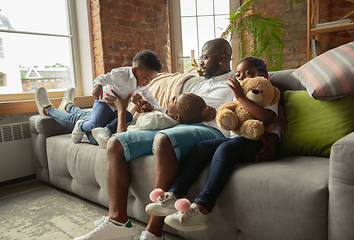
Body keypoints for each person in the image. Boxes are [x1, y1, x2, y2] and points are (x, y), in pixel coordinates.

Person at [73, 39, 279, 240]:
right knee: (116, 143)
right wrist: (155, 108)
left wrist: (273, 136)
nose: (201, 62)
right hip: (178, 125)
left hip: (210, 130)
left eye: (205, 57)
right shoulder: (199, 85)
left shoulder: (240, 83)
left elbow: (264, 110)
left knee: (164, 139)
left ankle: (154, 232)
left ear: (221, 58)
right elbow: (177, 112)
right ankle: (117, 224)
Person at [145, 56, 280, 232]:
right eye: (239, 75)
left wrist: (240, 96)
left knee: (225, 148)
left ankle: (202, 208)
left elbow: (267, 117)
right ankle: (173, 195)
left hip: (257, 141)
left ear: (262, 74)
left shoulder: (267, 92)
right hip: (236, 138)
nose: (243, 78)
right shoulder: (237, 96)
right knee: (202, 147)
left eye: (248, 73)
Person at [71, 50, 163, 144]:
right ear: (135, 70)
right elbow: (102, 78)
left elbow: (150, 98)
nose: (148, 82)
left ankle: (106, 129)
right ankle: (80, 125)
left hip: (118, 110)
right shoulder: (120, 74)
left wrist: (160, 110)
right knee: (97, 125)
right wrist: (98, 85)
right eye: (146, 78)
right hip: (104, 103)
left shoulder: (143, 86)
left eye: (151, 79)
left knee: (129, 116)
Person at [92, 90, 217, 148]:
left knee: (90, 122)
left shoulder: (156, 121)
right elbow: (161, 112)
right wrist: (150, 110)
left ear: (177, 117)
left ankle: (73, 112)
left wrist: (121, 110)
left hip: (111, 133)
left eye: (175, 100)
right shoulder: (169, 116)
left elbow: (122, 136)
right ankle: (72, 108)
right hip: (119, 124)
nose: (173, 97)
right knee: (86, 115)